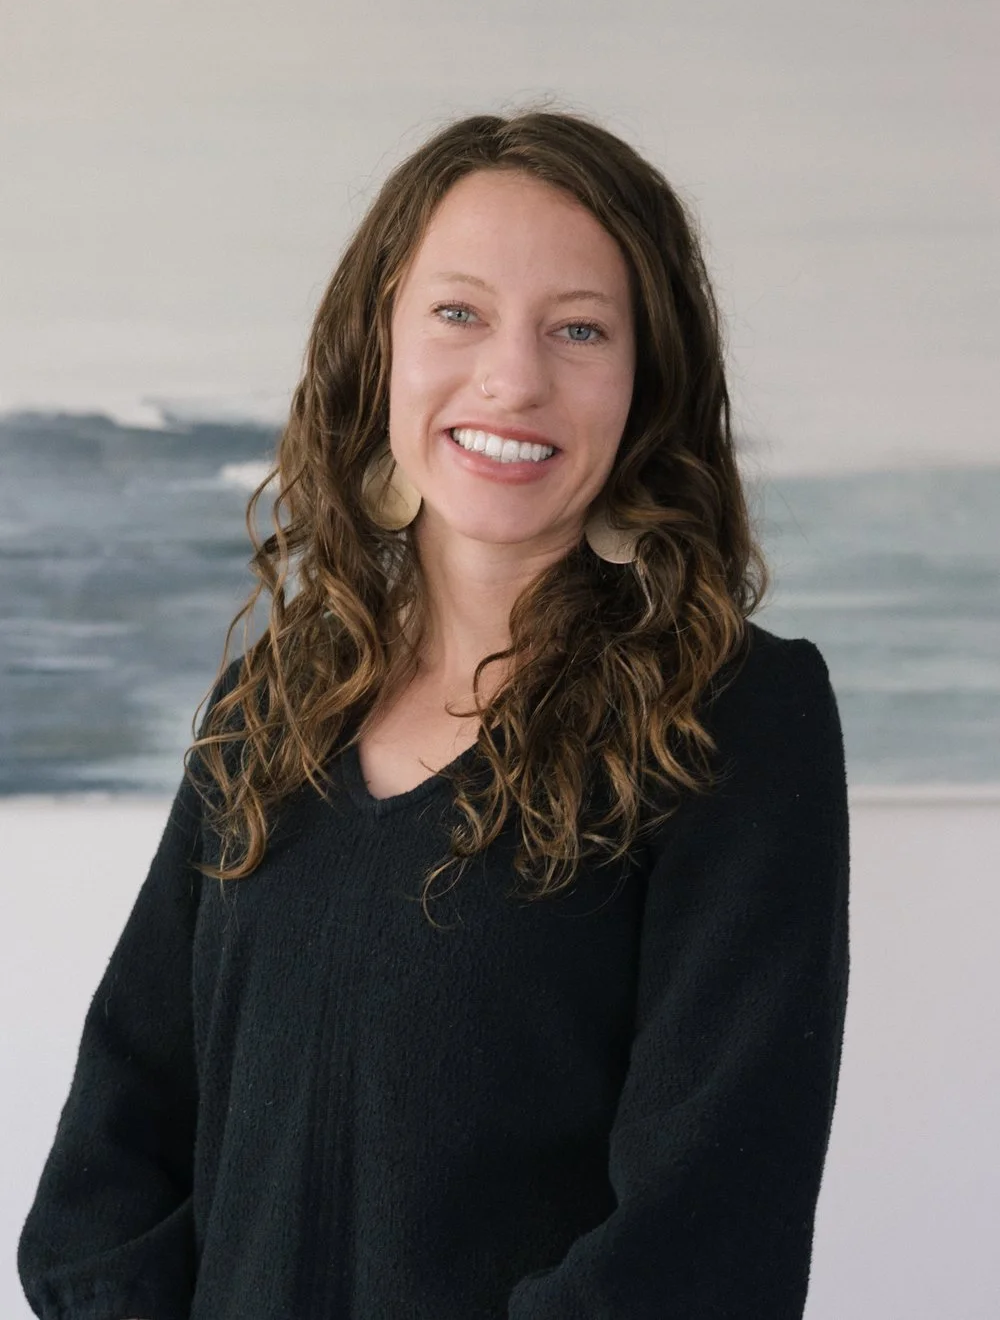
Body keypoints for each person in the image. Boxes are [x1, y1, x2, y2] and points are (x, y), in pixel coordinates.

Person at [18, 108, 850, 1320]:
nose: (513, 377)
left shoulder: (736, 717)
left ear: (646, 381)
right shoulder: (269, 706)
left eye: (579, 328)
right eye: (459, 313)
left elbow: (705, 1236)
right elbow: (115, 1146)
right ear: (382, 345)